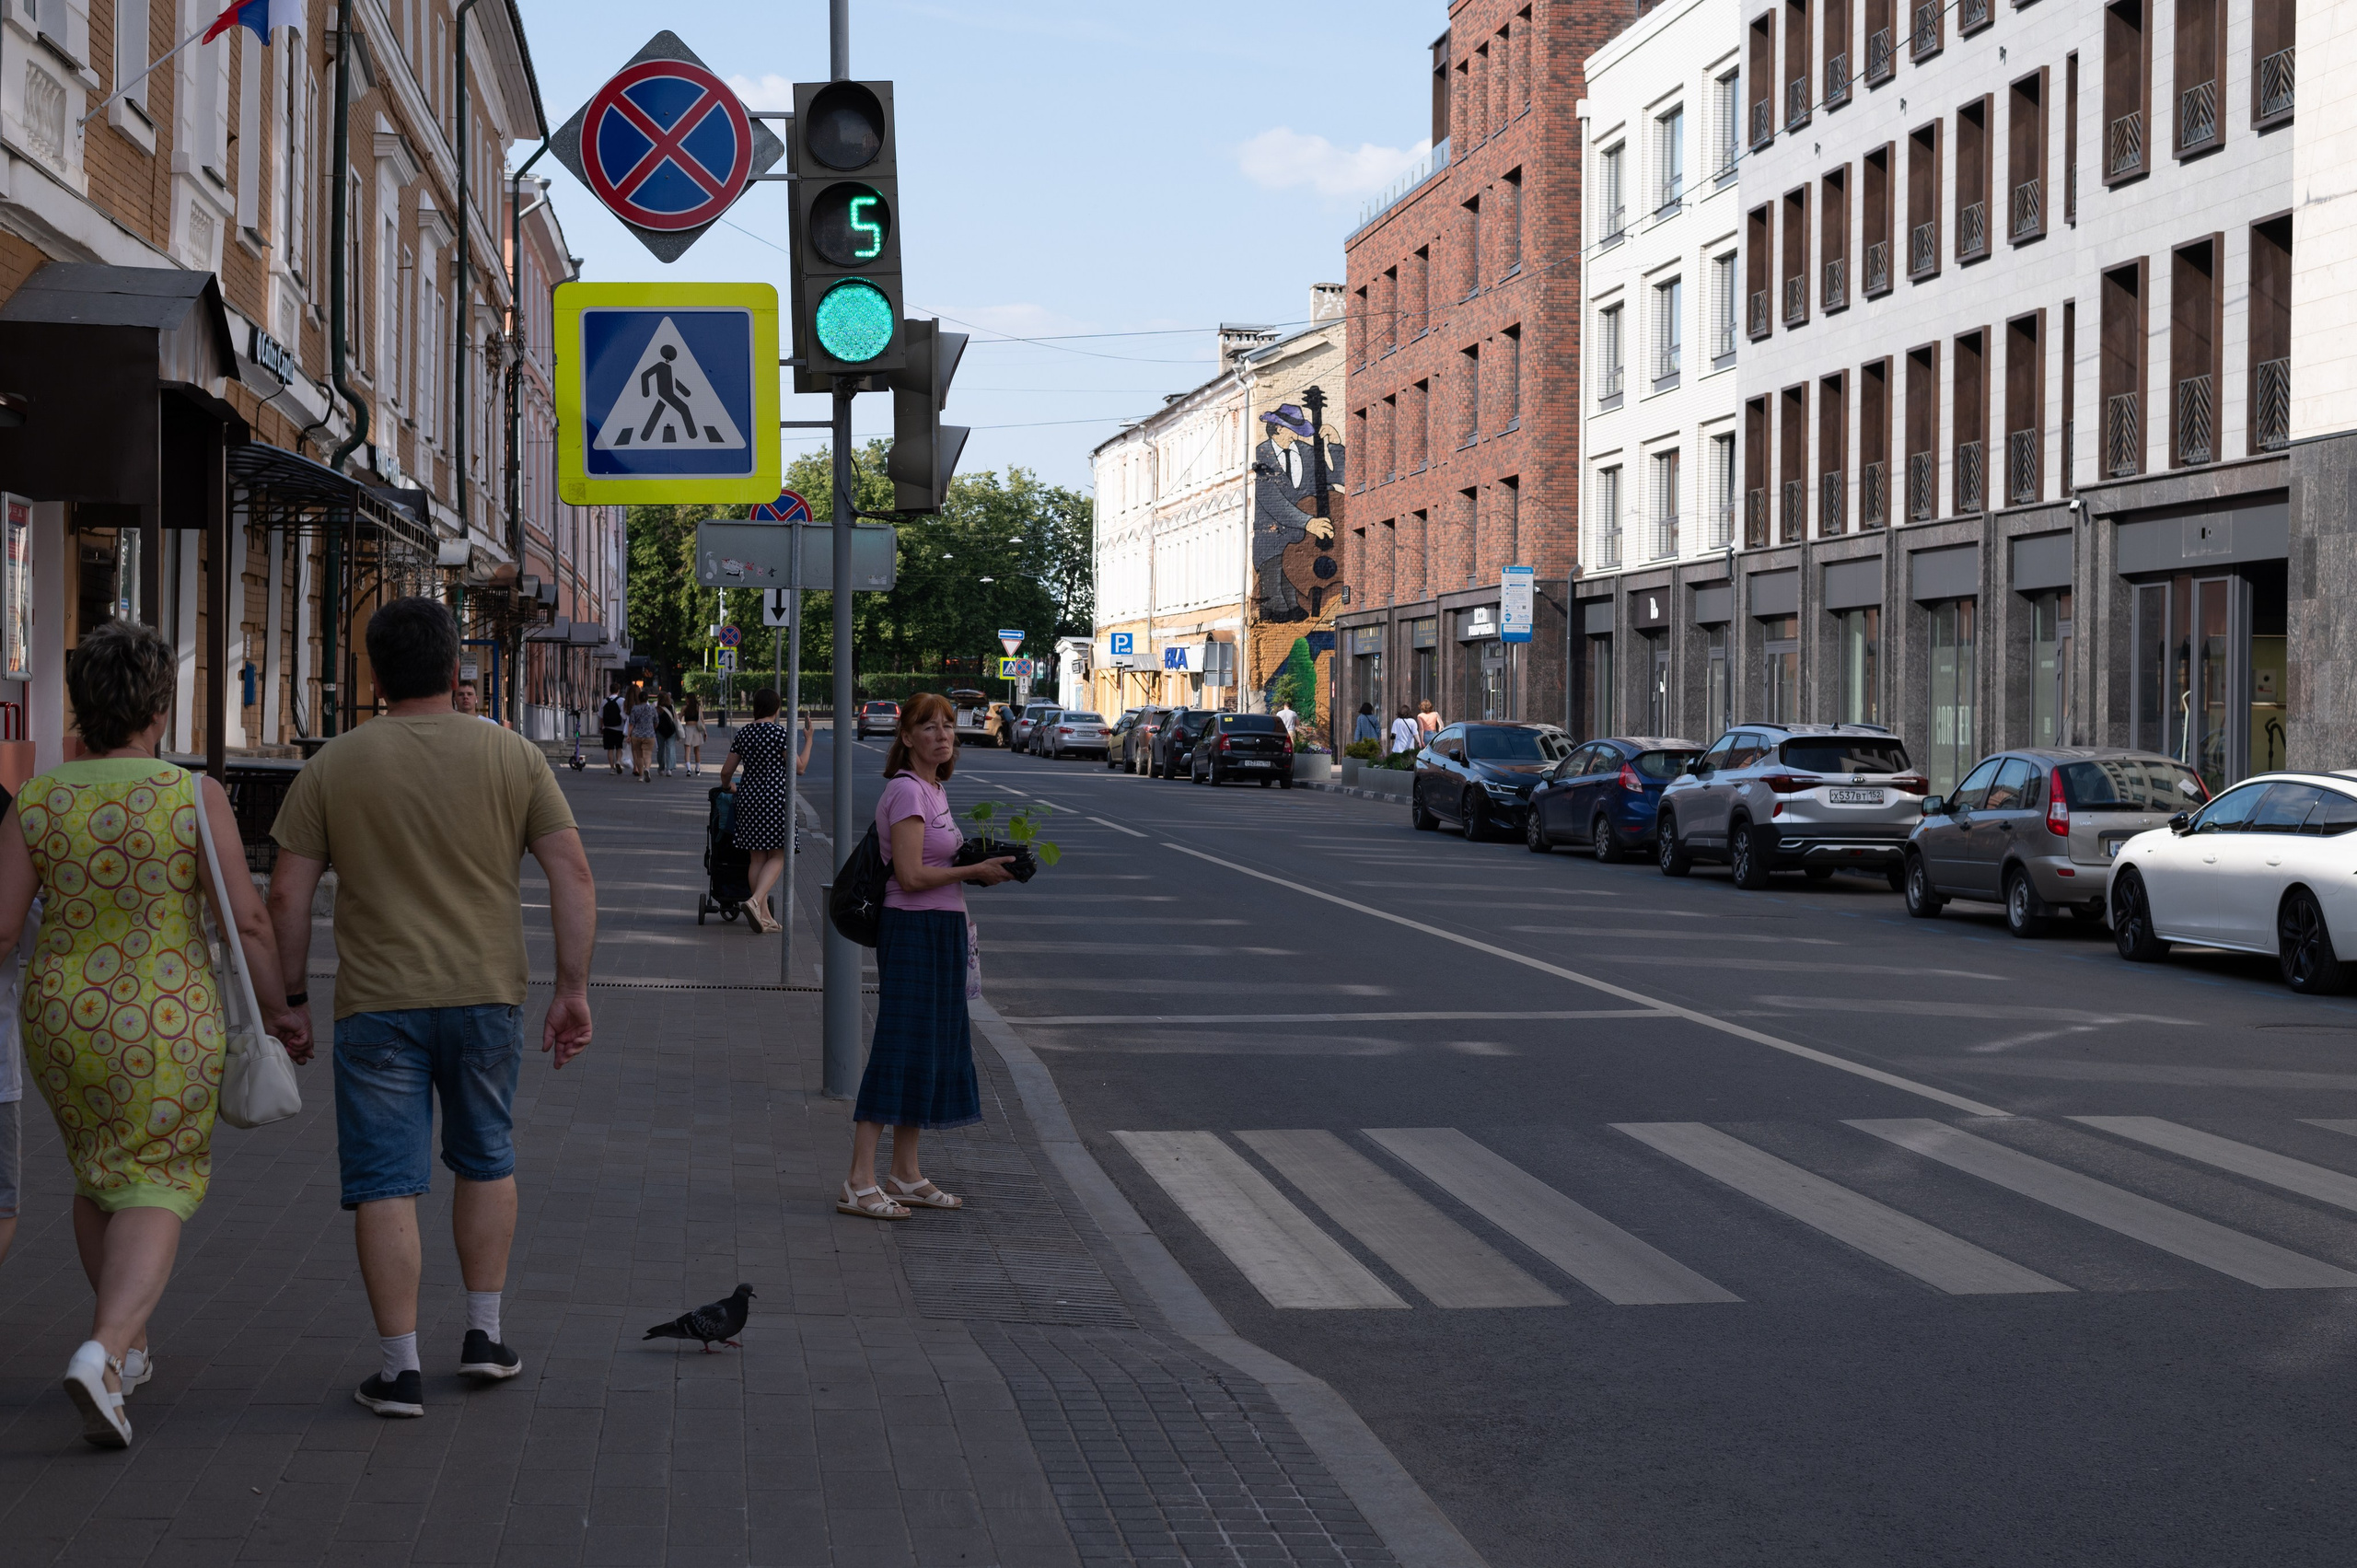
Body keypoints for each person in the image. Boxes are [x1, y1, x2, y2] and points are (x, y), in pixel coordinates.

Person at [265, 597, 596, 1422]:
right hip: (487, 995)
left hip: (377, 1004)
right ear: (456, 669)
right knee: (486, 1156)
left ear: (376, 677)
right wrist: (571, 989)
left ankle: (400, 1369)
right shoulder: (514, 756)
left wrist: (291, 999)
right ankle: (485, 1335)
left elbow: (286, 897)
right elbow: (573, 875)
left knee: (386, 1181)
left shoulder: (332, 765)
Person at [0, 620, 299, 1447]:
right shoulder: (189, 796)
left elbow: (2, 927)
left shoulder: (38, 799)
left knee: (100, 1173)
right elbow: (247, 919)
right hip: (167, 1018)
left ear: (80, 703)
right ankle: (101, 1349)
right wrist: (281, 1007)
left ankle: (127, 1354)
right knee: (157, 1178)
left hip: (62, 1018)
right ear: (159, 707)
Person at [840, 694, 1014, 1221]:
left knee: (927, 1049)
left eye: (948, 726)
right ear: (907, 737)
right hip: (912, 929)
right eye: (929, 727)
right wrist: (973, 872)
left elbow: (939, 862)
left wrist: (984, 863)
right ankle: (859, 1181)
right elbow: (911, 876)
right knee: (897, 1049)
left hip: (943, 929)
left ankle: (905, 1174)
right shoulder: (906, 790)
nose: (942, 735)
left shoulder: (935, 789)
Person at [715, 690, 815, 935]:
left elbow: (726, 772)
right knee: (779, 854)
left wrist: (728, 788)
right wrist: (809, 739)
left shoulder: (744, 733)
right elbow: (800, 768)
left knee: (757, 858)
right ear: (776, 708)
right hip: (775, 801)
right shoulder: (779, 733)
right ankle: (754, 900)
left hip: (747, 800)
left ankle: (764, 917)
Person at [624, 692, 657, 782]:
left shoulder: (634, 708)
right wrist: (652, 729)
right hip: (649, 735)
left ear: (639, 699)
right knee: (648, 754)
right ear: (647, 699)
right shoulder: (652, 708)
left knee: (639, 755)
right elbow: (656, 721)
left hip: (637, 735)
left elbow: (631, 723)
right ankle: (647, 769)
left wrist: (628, 735)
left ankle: (641, 776)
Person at [598, 691, 625, 773]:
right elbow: (624, 715)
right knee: (619, 747)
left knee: (610, 749)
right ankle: (618, 761)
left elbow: (601, 716)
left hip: (607, 728)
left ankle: (612, 768)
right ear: (618, 690)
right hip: (619, 728)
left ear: (610, 690)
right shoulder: (622, 700)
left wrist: (601, 727)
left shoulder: (604, 701)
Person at [654, 693, 680, 777]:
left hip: (660, 731)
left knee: (660, 749)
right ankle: (669, 769)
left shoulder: (657, 709)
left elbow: (655, 720)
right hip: (671, 731)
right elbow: (675, 718)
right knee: (670, 749)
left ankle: (661, 768)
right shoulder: (672, 707)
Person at [681, 695, 707, 777]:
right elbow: (702, 720)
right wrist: (705, 732)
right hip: (696, 729)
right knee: (697, 750)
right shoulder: (698, 708)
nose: (685, 699)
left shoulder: (684, 708)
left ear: (689, 699)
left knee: (687, 750)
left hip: (688, 729)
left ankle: (689, 769)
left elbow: (679, 718)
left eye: (686, 698)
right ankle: (697, 768)